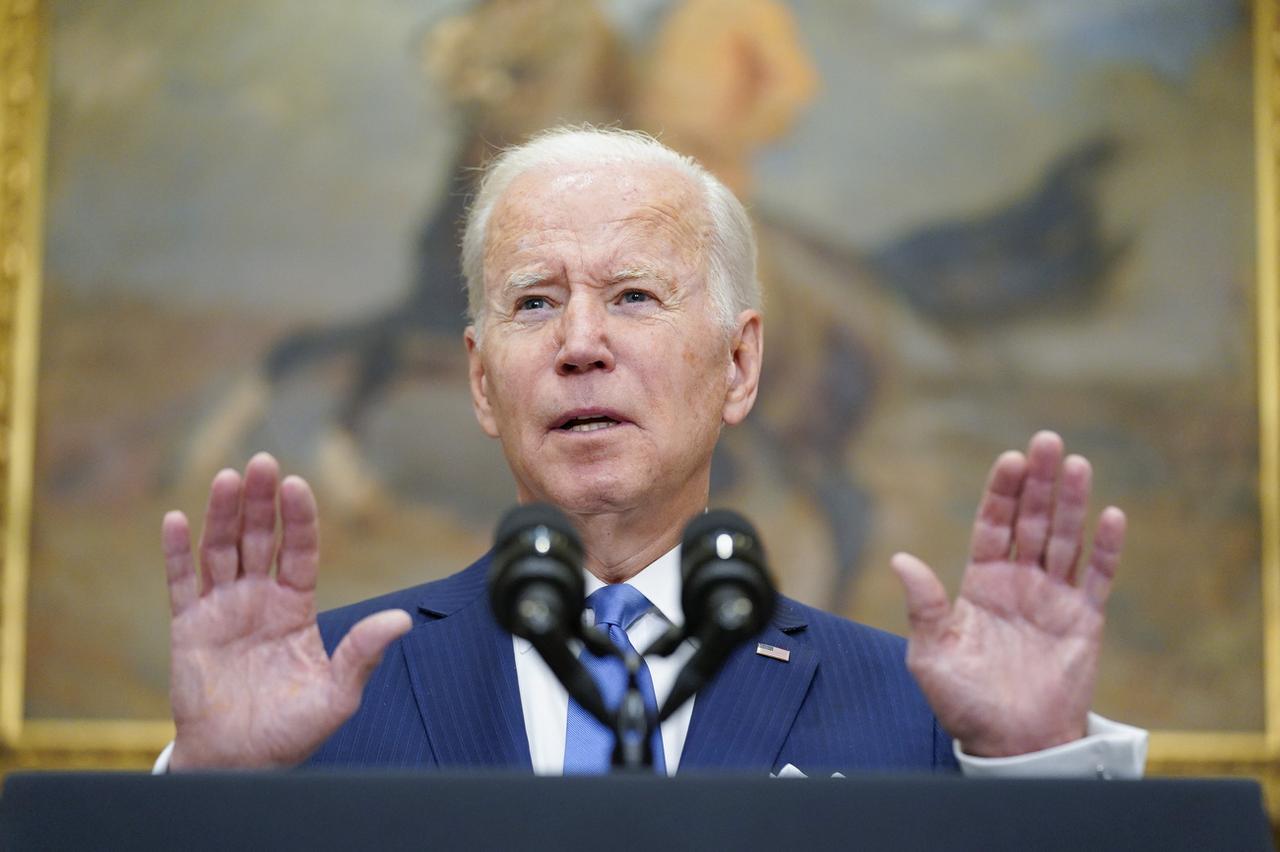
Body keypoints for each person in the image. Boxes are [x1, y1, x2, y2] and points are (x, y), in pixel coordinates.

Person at [155, 127, 1145, 776]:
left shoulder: (926, 715)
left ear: (740, 364)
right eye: (534, 301)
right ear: (478, 378)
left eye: (633, 295)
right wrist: (202, 799)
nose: (579, 343)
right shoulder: (318, 699)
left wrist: (1033, 763)